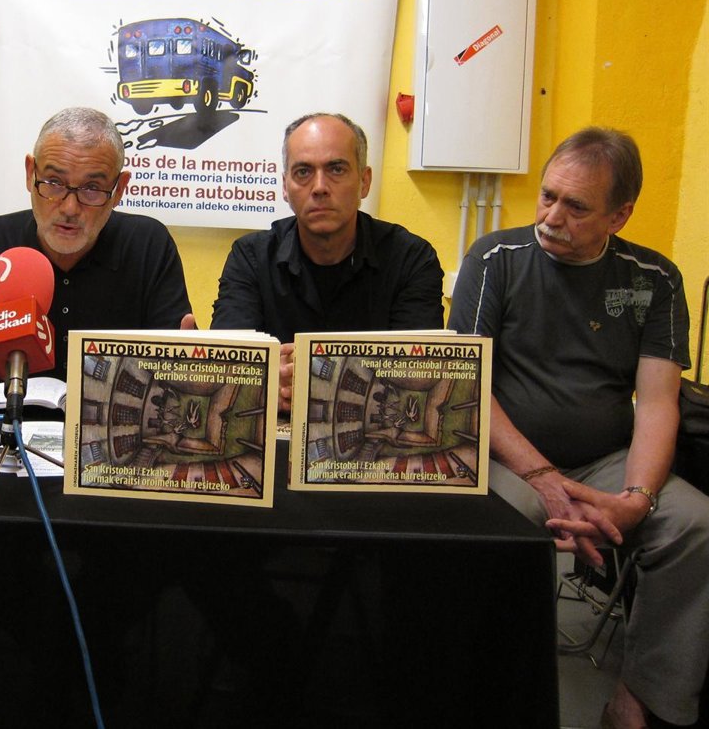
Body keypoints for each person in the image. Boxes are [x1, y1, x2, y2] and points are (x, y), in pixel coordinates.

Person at [448, 127, 709, 728]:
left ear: (619, 216)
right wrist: (543, 479)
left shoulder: (653, 279)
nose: (551, 217)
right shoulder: (493, 260)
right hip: (508, 462)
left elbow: (659, 402)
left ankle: (638, 701)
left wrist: (636, 500)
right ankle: (507, 700)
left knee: (694, 526)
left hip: (606, 462)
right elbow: (468, 387)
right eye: (547, 196)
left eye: (576, 206)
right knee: (508, 528)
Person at [0, 106, 192, 408]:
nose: (69, 208)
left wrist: (194, 364)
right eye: (53, 183)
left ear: (118, 190)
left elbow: (178, 366)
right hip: (6, 428)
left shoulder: (148, 246)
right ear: (31, 173)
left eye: (92, 188)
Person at [211, 112, 443, 410]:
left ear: (364, 181)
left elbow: (418, 377)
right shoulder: (251, 258)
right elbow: (230, 370)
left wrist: (308, 378)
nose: (319, 186)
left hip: (376, 431)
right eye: (303, 172)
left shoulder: (410, 259)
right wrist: (266, 386)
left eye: (336, 169)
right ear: (285, 187)